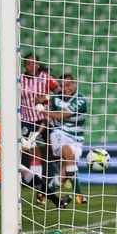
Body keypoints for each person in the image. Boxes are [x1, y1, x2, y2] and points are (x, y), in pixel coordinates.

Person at [37, 73, 88, 204]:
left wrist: (43, 110)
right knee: (69, 157)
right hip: (58, 134)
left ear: (75, 84)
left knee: (65, 174)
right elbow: (50, 117)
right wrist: (39, 131)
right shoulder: (56, 98)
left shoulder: (81, 100)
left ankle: (43, 194)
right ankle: (79, 195)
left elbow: (62, 115)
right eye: (62, 86)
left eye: (68, 85)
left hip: (76, 138)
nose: (65, 88)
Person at [20, 53, 62, 204]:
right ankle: (40, 191)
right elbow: (16, 97)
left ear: (38, 64)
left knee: (53, 153)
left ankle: (60, 174)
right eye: (28, 64)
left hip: (45, 119)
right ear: (25, 66)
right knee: (35, 153)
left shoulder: (46, 77)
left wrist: (47, 98)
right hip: (27, 121)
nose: (31, 66)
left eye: (34, 63)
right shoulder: (20, 80)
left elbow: (61, 93)